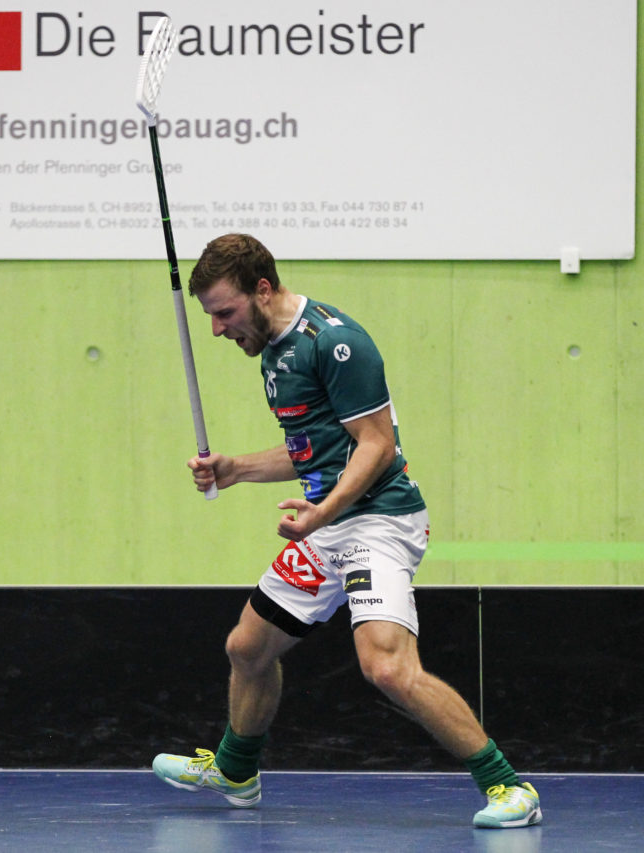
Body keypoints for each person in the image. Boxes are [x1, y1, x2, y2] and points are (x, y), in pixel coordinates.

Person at [151, 233, 541, 829]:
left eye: (225, 313)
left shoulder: (335, 343)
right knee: (247, 648)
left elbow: (377, 446)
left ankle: (509, 788)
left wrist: (322, 513)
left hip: (378, 523)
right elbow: (314, 451)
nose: (217, 329)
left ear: (262, 289)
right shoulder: (275, 351)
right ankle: (236, 769)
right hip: (331, 524)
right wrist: (235, 471)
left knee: (386, 667)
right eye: (209, 316)